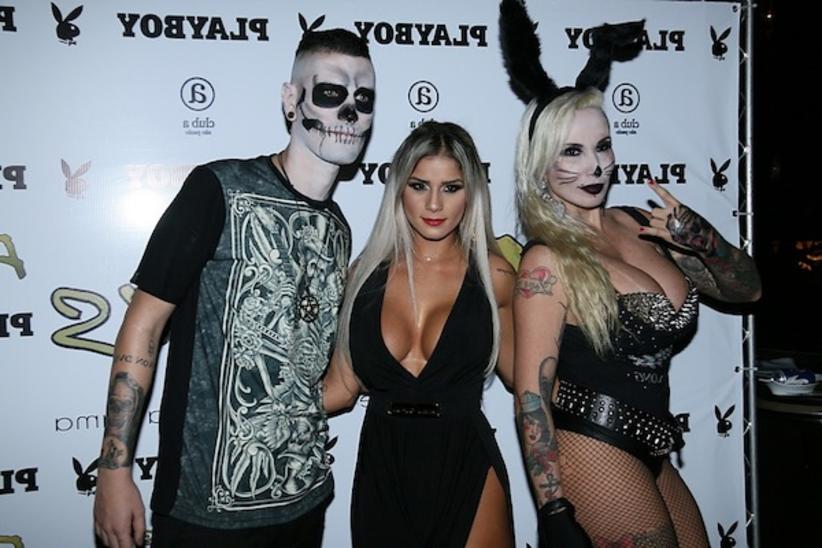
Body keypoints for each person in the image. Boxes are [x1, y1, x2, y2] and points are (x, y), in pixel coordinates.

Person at [93, 24, 376, 548]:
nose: (349, 112)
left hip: (305, 498)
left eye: (363, 99)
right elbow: (144, 326)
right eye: (330, 93)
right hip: (205, 511)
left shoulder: (338, 228)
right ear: (291, 100)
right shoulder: (218, 188)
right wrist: (114, 469)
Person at [499, 2, 761, 547]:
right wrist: (552, 509)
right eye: (572, 152)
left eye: (602, 147)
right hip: (591, 444)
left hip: (653, 443)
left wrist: (703, 239)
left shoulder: (643, 224)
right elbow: (531, 395)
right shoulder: (547, 260)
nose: (594, 166)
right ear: (540, 165)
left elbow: (747, 290)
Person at [322, 121, 516, 547]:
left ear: (472, 193)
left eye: (451, 188)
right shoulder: (362, 277)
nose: (434, 203)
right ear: (398, 189)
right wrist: (252, 410)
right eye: (419, 185)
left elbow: (530, 383)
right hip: (384, 466)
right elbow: (340, 388)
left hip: (465, 459)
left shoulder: (495, 276)